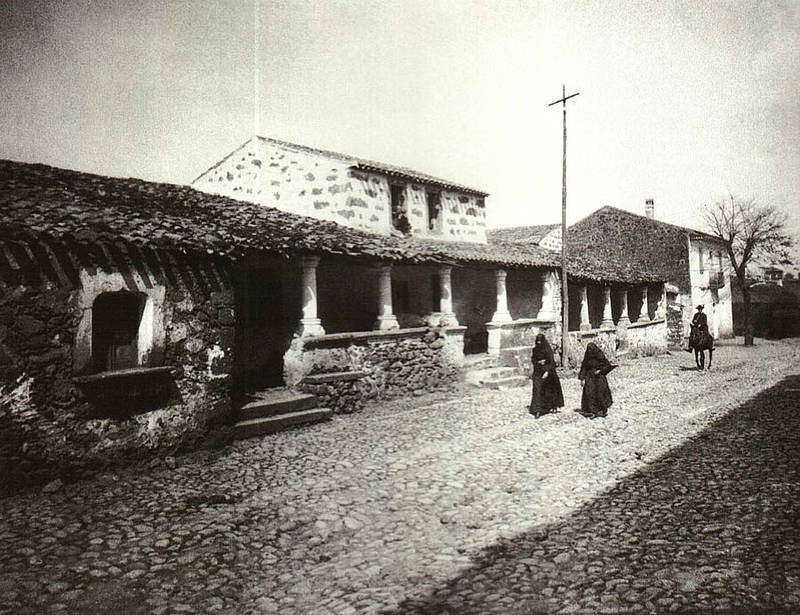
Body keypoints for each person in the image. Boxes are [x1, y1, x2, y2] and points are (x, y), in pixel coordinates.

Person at [529, 333, 564, 418]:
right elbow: (533, 359)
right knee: (537, 390)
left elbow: (551, 361)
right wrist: (538, 362)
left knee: (550, 390)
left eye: (540, 341)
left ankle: (553, 406)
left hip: (549, 372)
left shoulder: (548, 349)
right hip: (538, 372)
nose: (539, 343)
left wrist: (547, 372)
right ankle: (537, 410)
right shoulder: (535, 350)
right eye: (537, 341)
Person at [578, 342, 616, 418]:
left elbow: (607, 365)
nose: (590, 352)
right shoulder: (587, 358)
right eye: (588, 350)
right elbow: (584, 367)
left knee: (600, 393)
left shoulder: (600, 356)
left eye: (591, 350)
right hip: (590, 377)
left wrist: (600, 371)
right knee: (590, 393)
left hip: (599, 378)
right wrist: (582, 378)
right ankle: (593, 411)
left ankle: (602, 410)